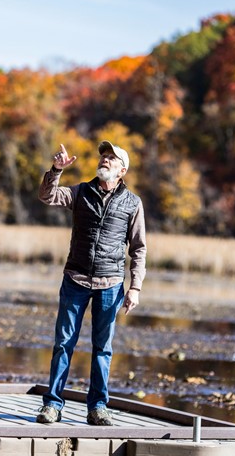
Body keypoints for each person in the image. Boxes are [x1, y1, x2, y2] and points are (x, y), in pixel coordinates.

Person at [36, 140, 146, 426]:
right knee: (63, 343)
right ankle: (52, 405)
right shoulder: (80, 192)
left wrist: (135, 287)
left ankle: (97, 407)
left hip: (110, 285)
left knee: (103, 348)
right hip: (75, 279)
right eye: (103, 156)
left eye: (112, 158)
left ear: (122, 170)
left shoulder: (133, 203)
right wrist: (55, 170)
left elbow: (138, 248)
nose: (105, 160)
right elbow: (47, 197)